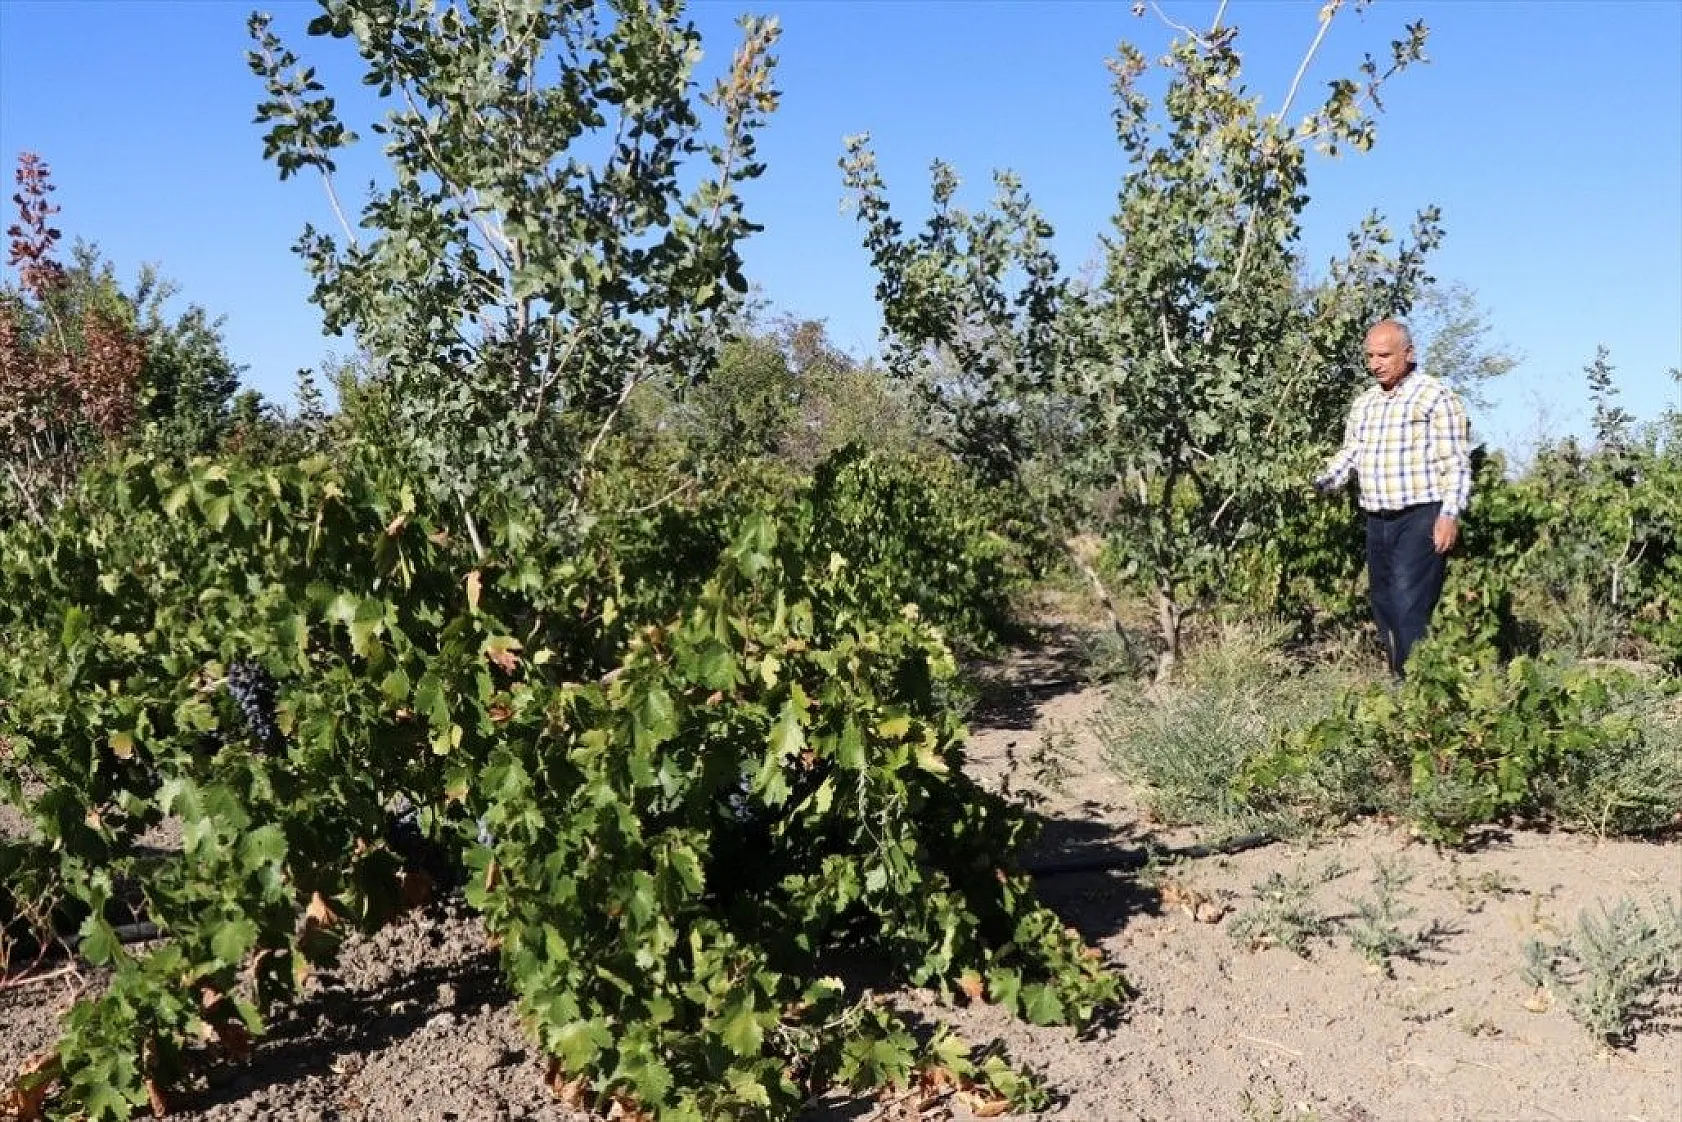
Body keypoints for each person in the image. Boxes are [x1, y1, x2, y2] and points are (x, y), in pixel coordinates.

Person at [1314, 319, 1472, 677]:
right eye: (1370, 356)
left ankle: (1415, 688)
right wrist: (1320, 483)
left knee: (1408, 602)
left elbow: (1456, 461)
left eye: (1384, 355)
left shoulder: (1434, 396)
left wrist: (1449, 514)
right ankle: (1400, 680)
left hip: (1420, 515)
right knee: (1384, 604)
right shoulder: (1364, 404)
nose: (1375, 364)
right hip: (1377, 518)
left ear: (1409, 353)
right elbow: (1351, 453)